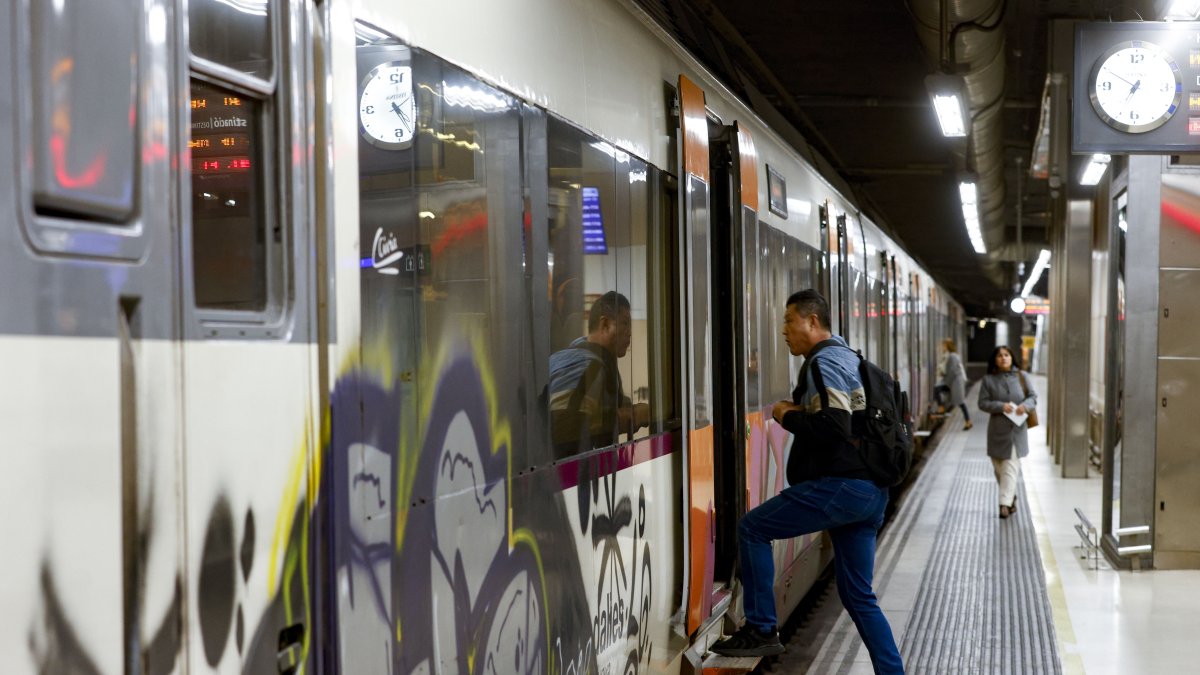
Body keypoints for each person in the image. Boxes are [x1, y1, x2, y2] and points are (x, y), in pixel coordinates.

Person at [711, 290, 903, 674]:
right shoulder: (850, 356)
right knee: (858, 595)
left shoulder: (824, 362)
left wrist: (785, 414)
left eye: (789, 322)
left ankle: (763, 627)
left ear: (812, 322)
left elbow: (834, 425)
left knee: (752, 528)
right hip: (871, 491)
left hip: (844, 486)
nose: (784, 332)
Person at [548, 291, 649, 455]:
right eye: (624, 324)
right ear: (605, 325)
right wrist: (632, 417)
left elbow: (602, 406)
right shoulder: (587, 366)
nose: (629, 332)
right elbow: (563, 426)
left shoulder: (596, 361)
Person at [977, 345, 1037, 519]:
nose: (1003, 358)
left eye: (1007, 355)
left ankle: (1003, 504)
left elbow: (1033, 397)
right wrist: (1000, 406)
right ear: (995, 360)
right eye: (1000, 356)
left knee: (1010, 468)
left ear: (1012, 358)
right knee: (999, 469)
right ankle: (1011, 498)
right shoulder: (988, 380)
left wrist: (1025, 406)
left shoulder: (1022, 377)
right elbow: (982, 403)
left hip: (1016, 432)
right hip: (997, 431)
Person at [937, 338, 972, 430]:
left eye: (944, 345)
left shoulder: (952, 356)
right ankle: (968, 421)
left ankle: (941, 408)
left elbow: (952, 371)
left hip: (955, 383)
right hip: (955, 382)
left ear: (947, 346)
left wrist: (947, 382)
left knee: (938, 390)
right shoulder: (953, 355)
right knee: (961, 403)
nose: (942, 347)